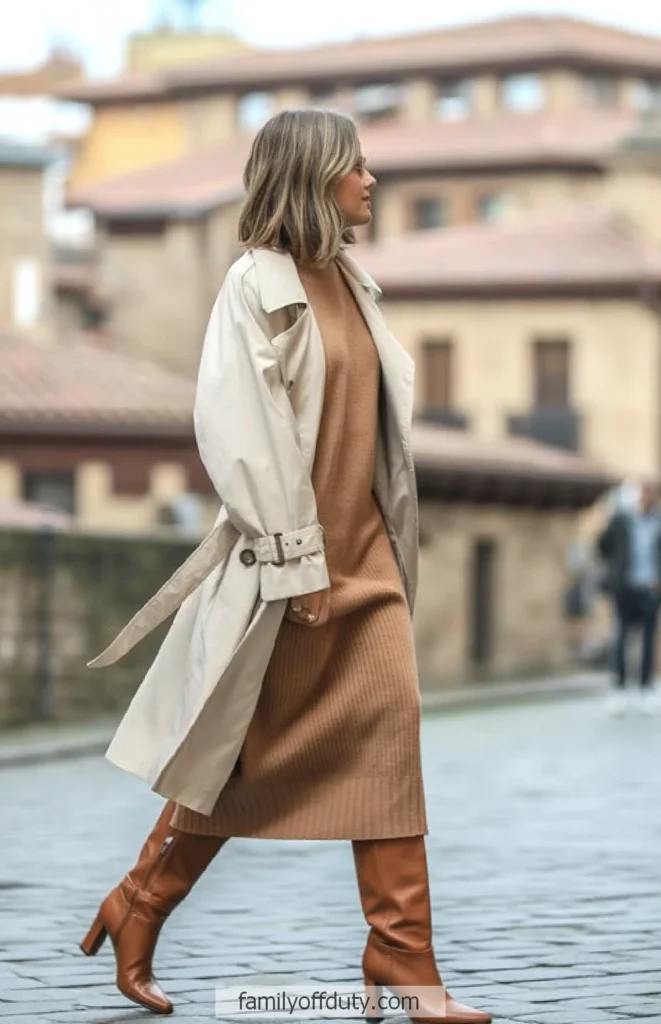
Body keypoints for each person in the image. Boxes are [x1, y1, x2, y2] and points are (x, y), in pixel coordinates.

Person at [78, 109, 492, 1024]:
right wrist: (293, 560)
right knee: (239, 760)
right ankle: (139, 901)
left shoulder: (352, 279)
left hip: (371, 566)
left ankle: (404, 963)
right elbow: (239, 432)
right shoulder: (253, 288)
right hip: (286, 571)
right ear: (312, 178)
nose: (371, 181)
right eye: (357, 167)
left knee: (391, 745)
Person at [598, 481, 661, 714]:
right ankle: (620, 688)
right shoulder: (621, 521)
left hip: (650, 588)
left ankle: (645, 688)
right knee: (621, 638)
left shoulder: (658, 522)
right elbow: (603, 546)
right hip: (625, 587)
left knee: (648, 639)